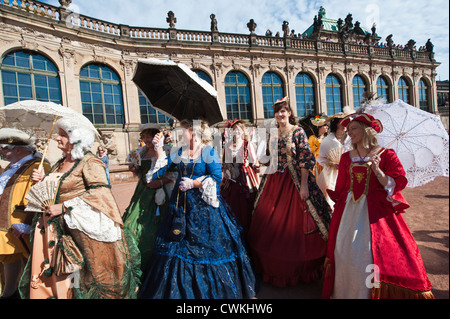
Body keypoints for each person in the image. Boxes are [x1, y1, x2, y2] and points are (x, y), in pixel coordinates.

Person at [19, 118, 141, 299]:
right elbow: (56, 190)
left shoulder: (89, 162)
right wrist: (42, 180)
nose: (57, 139)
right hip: (50, 230)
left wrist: (64, 206)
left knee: (76, 277)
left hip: (76, 233)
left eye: (62, 135)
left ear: (76, 138)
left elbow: (100, 194)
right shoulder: (60, 162)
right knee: (51, 274)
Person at [139, 119, 257, 299]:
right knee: (176, 241)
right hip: (179, 207)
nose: (180, 133)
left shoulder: (208, 151)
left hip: (202, 208)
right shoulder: (179, 151)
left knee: (205, 246)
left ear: (193, 132)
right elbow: (161, 171)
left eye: (183, 130)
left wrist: (195, 183)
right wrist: (159, 149)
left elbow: (217, 177)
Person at [322, 113, 434, 299]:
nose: (350, 133)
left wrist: (378, 171)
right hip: (348, 213)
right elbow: (341, 187)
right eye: (348, 130)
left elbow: (397, 182)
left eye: (354, 128)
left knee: (367, 253)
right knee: (343, 250)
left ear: (366, 130)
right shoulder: (346, 158)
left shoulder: (386, 155)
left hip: (375, 213)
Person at [247, 97, 332, 287]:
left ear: (290, 113)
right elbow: (270, 157)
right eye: (277, 111)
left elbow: (305, 157)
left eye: (283, 111)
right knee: (267, 217)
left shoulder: (298, 131)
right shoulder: (273, 132)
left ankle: (301, 267)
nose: (280, 114)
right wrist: (263, 161)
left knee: (298, 222)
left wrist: (303, 185)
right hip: (274, 180)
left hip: (294, 181)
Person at [0, 128, 50, 299]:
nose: (1, 151)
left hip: (19, 223)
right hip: (6, 221)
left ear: (18, 150)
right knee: (7, 257)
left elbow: (42, 197)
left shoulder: (39, 165)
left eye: (4, 148)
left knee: (18, 259)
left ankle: (12, 293)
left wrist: (27, 223)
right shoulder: (12, 166)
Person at [122, 124, 175, 274]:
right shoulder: (141, 152)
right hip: (142, 193)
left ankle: (156, 267)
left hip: (159, 194)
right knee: (130, 225)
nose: (146, 140)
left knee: (156, 228)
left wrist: (160, 182)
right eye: (144, 137)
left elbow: (173, 175)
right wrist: (135, 169)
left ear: (157, 137)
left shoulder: (167, 152)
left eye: (149, 136)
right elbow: (141, 175)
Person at [220, 119, 260, 235]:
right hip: (231, 181)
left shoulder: (248, 144)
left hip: (245, 179)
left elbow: (255, 165)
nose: (236, 132)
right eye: (234, 130)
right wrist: (226, 172)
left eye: (239, 130)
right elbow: (225, 164)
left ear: (243, 132)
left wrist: (258, 184)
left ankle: (247, 233)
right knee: (232, 207)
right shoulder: (227, 146)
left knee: (245, 208)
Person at [316, 113, 351, 209]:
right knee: (330, 198)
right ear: (336, 124)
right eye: (341, 123)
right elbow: (321, 158)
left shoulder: (351, 139)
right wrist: (331, 164)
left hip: (348, 172)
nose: (344, 125)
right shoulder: (327, 140)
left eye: (346, 123)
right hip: (331, 174)